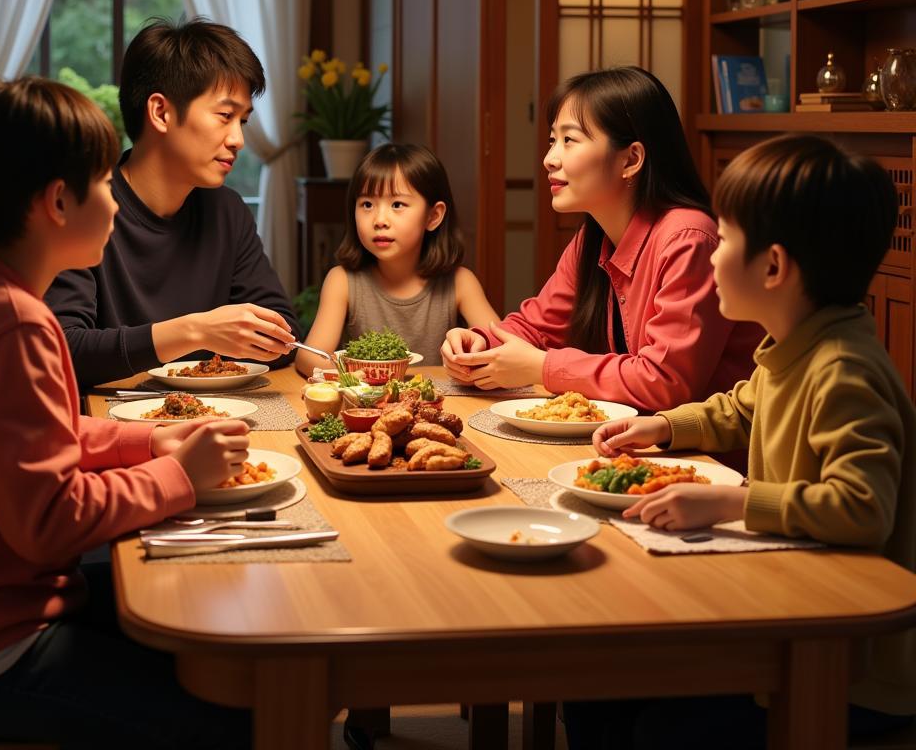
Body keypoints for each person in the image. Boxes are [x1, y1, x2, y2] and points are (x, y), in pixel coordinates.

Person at [0, 78, 253, 749]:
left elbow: (39, 437)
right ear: (58, 202)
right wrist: (181, 480)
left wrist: (151, 440)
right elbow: (48, 522)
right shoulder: (12, 325)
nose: (117, 202)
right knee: (237, 715)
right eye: (105, 184)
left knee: (205, 618)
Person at [568, 133, 915, 748]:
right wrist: (667, 425)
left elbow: (862, 508)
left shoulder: (843, 370)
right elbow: (741, 408)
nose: (711, 251)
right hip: (794, 601)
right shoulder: (795, 345)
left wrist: (732, 502)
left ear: (774, 267)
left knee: (657, 725)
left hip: (851, 664)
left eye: (724, 239)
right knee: (599, 688)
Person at [441, 67, 761, 406]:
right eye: (553, 140)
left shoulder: (689, 238)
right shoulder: (593, 237)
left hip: (706, 455)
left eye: (570, 140)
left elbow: (666, 382)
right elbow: (537, 326)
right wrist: (477, 344)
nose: (549, 159)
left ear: (632, 158)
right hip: (637, 440)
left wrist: (543, 367)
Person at [46, 18, 299, 388]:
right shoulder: (87, 208)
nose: (238, 139)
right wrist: (195, 331)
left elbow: (284, 333)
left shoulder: (226, 211)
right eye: (225, 116)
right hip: (108, 425)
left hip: (215, 415)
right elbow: (62, 351)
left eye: (243, 121)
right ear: (161, 112)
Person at [295, 142, 498, 377]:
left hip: (438, 405)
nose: (380, 219)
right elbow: (309, 357)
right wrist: (352, 380)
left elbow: (501, 347)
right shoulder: (343, 280)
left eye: (397, 204)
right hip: (366, 407)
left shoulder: (460, 282)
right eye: (367, 204)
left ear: (433, 216)